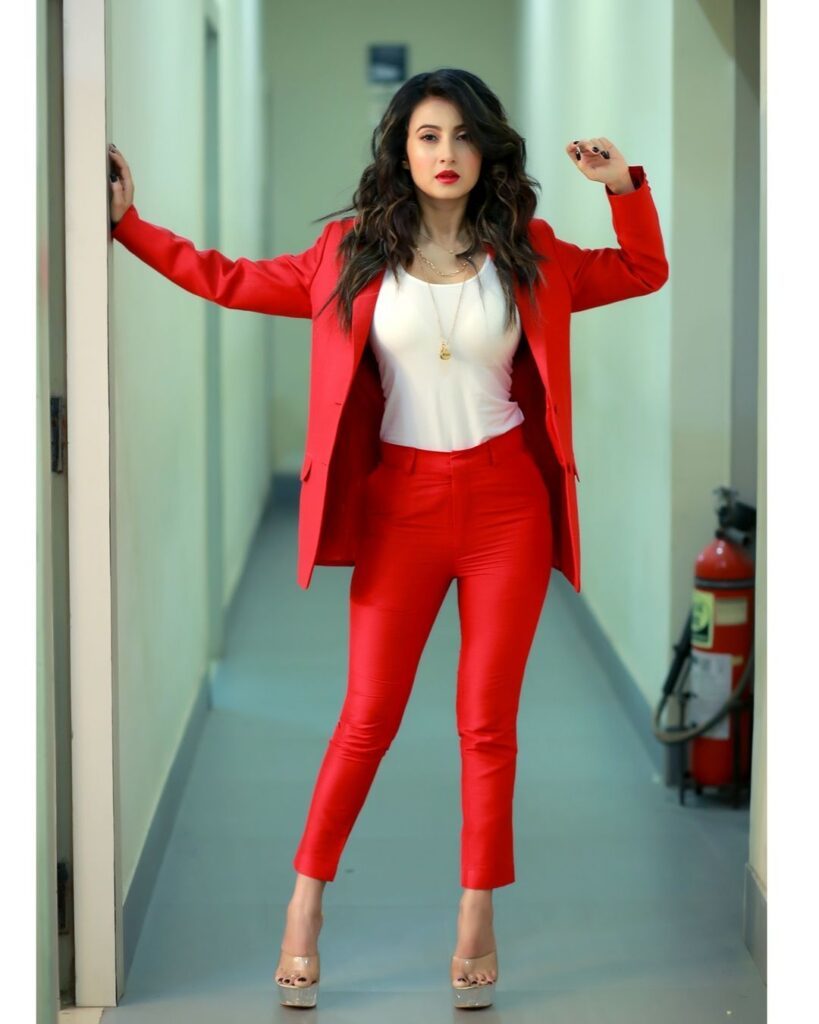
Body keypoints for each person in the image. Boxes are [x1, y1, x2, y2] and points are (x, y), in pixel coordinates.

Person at [108, 67, 668, 1010]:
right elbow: (229, 280)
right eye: (427, 136)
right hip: (401, 507)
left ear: (487, 149)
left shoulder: (529, 251)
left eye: (462, 136)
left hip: (505, 507)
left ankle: (476, 913)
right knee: (366, 717)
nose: (446, 154)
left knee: (485, 724)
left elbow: (643, 270)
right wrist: (129, 226)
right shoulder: (347, 254)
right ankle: (304, 903)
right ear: (400, 151)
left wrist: (625, 187)